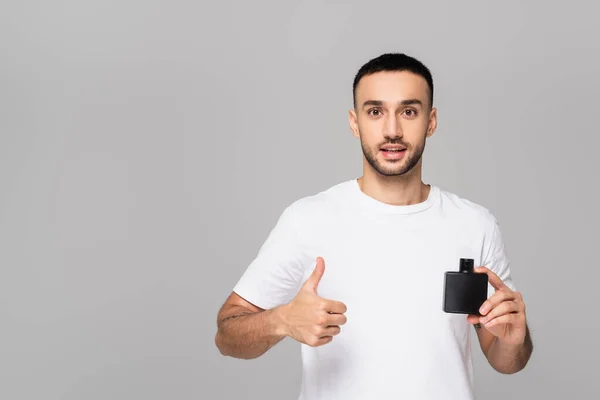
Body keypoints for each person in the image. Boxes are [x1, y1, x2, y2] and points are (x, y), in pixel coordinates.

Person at [214, 52, 533, 399]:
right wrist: (281, 321)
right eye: (375, 111)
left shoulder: (475, 224)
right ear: (355, 123)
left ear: (431, 121)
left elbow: (506, 360)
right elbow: (227, 336)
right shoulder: (308, 220)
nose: (392, 130)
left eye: (409, 111)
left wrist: (515, 338)